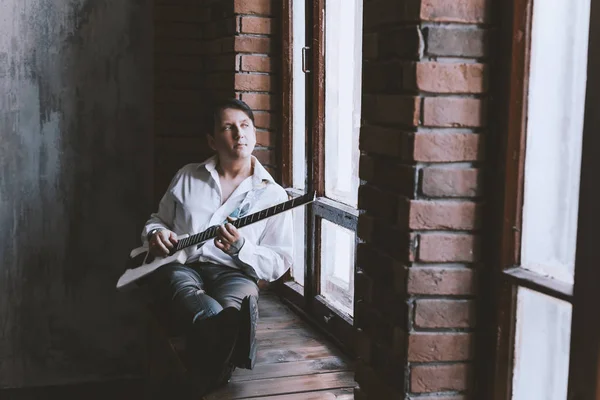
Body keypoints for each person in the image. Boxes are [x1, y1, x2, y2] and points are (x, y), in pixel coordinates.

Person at [141, 98, 293, 396]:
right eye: (228, 127)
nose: (240, 134)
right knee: (191, 295)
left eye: (246, 125)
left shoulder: (272, 195)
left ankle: (206, 374)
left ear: (255, 134)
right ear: (212, 140)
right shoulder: (187, 175)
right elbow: (158, 220)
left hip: (236, 273)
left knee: (237, 304)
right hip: (183, 267)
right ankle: (231, 349)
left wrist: (241, 248)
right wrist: (154, 234)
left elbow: (280, 260)